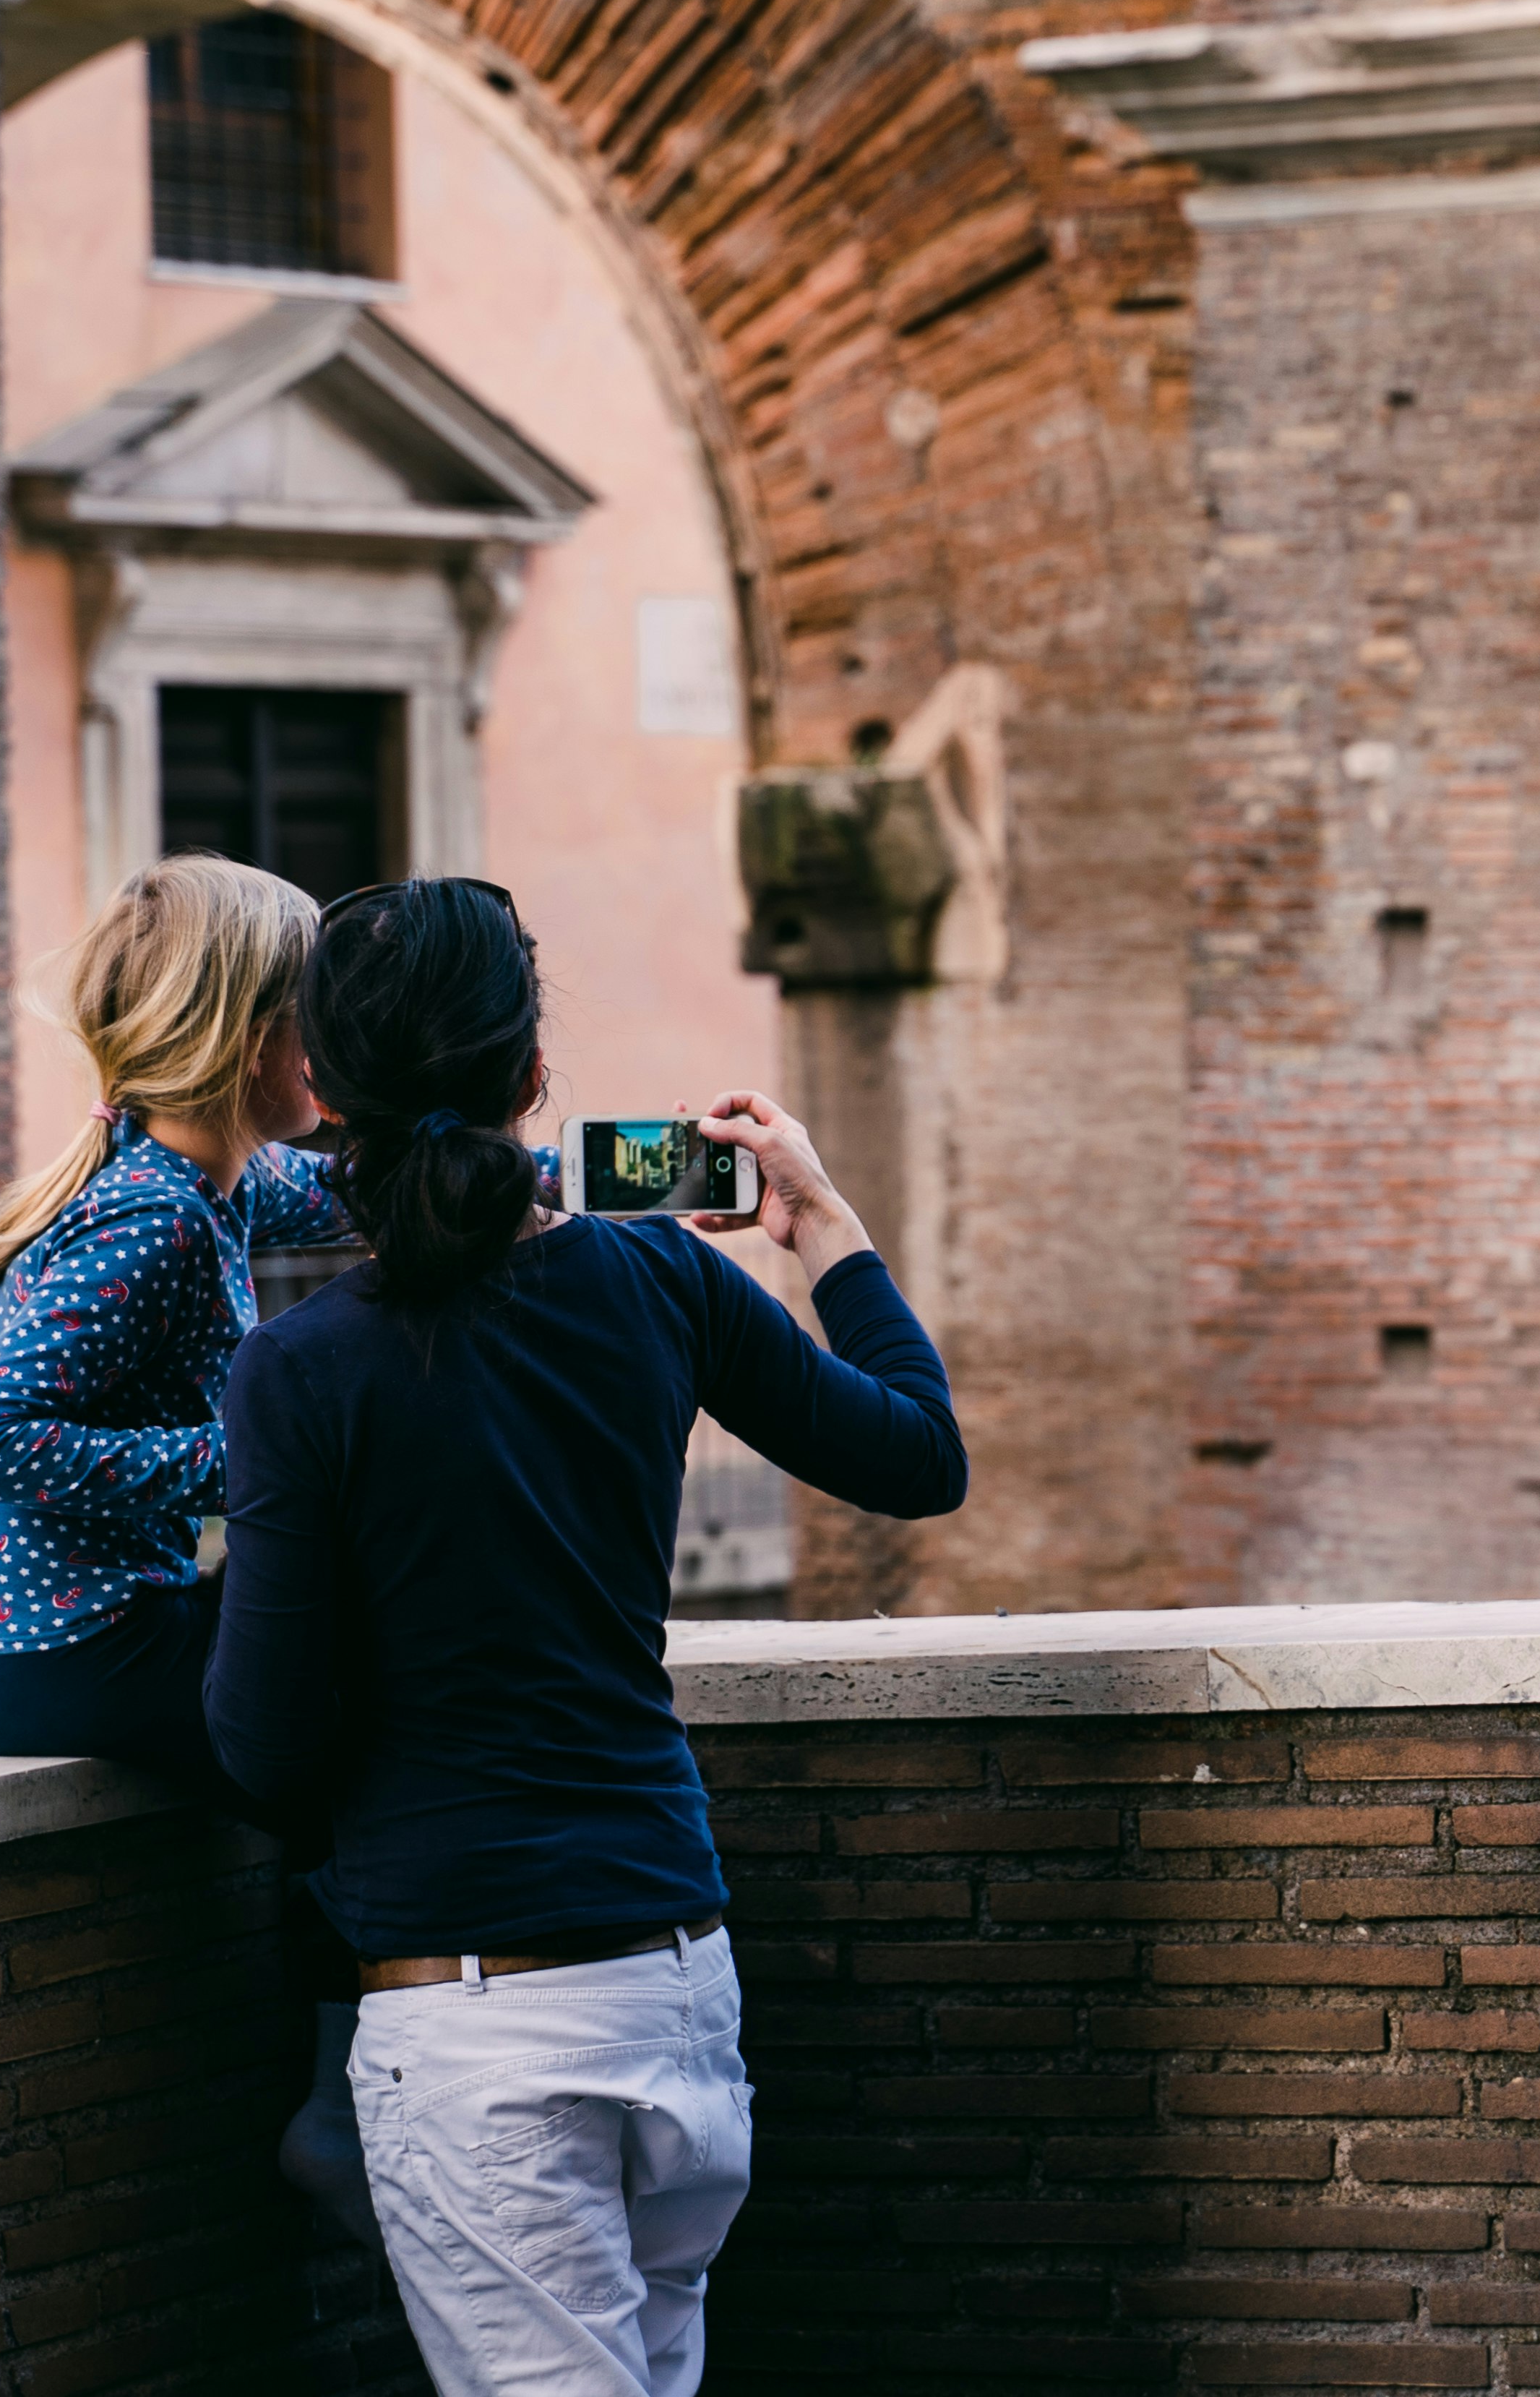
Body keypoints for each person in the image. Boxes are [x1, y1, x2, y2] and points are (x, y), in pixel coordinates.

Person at [207, 876, 968, 2396]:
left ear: (320, 1089)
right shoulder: (659, 1271)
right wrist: (824, 1228)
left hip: (484, 2017)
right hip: (677, 1974)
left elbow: (265, 1748)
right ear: (531, 1074)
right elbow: (916, 1455)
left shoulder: (300, 1371)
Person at [0, 851, 406, 2240]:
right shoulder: (149, 1222)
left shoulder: (210, 1181)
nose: (340, 1046)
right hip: (46, 1652)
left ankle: (340, 2100)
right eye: (324, 1018)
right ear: (260, 1045)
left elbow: (391, 1196)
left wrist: (603, 1180)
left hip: (40, 1639)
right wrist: (241, 1466)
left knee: (330, 1650)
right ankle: (339, 2117)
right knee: (352, 1737)